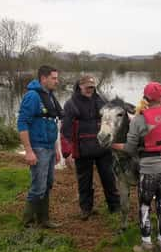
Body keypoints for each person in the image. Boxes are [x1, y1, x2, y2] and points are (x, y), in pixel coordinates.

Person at [112, 82, 161, 252]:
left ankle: (146, 245)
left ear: (145, 97)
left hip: (150, 169)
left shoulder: (140, 119)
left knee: (145, 206)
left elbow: (130, 148)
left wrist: (114, 145)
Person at [61, 75, 120, 220]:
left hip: (103, 148)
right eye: (87, 87)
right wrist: (66, 153)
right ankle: (86, 209)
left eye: (92, 87)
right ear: (80, 86)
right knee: (84, 182)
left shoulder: (101, 101)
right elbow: (65, 129)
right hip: (82, 149)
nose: (90, 90)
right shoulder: (71, 104)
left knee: (109, 179)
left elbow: (112, 120)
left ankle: (115, 207)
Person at [17, 65, 63, 228]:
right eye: (54, 78)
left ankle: (44, 220)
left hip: (49, 147)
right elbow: (22, 124)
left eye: (57, 78)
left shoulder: (49, 95)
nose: (57, 81)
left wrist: (57, 149)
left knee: (48, 183)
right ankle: (27, 223)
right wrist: (29, 151)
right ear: (43, 78)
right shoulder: (32, 96)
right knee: (38, 186)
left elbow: (53, 122)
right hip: (38, 148)